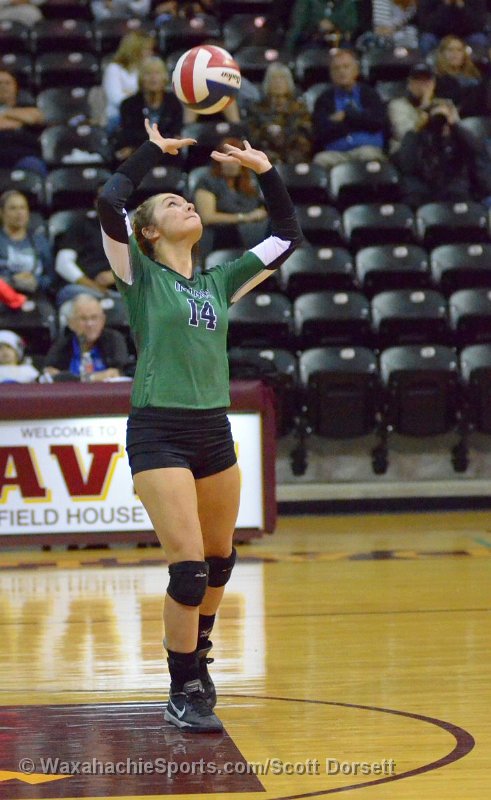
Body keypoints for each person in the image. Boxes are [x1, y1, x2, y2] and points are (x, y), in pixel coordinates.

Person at [97, 120, 302, 732]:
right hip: (159, 430)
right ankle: (183, 685)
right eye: (170, 203)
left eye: (186, 199)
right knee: (187, 570)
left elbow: (286, 236)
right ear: (149, 231)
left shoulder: (219, 281)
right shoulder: (139, 274)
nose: (185, 203)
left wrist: (266, 172)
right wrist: (151, 154)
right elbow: (110, 200)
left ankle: (198, 652)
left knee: (219, 561)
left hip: (214, 430)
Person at [392, 99, 491, 208]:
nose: (443, 123)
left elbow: (478, 153)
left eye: (446, 117)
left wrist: (455, 125)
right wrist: (418, 128)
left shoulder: (461, 139)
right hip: (424, 194)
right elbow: (407, 165)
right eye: (438, 118)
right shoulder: (418, 138)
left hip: (457, 194)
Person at [193, 136, 269, 259]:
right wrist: (244, 217)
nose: (232, 163)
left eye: (237, 159)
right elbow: (207, 217)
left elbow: (261, 206)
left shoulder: (249, 180)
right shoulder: (207, 182)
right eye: (228, 158)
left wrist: (261, 213)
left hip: (253, 234)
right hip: (220, 237)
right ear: (219, 160)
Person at [312, 48, 387, 168]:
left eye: (346, 67)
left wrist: (346, 116)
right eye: (336, 68)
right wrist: (359, 121)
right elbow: (322, 132)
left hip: (366, 148)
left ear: (356, 70)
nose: (341, 71)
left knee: (369, 156)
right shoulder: (324, 99)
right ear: (331, 74)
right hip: (336, 153)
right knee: (320, 160)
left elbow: (377, 122)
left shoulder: (369, 94)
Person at [44, 293, 130, 382]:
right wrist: (94, 378)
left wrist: (76, 378)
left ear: (103, 320)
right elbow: (51, 372)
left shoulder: (114, 340)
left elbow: (117, 372)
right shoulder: (62, 344)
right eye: (83, 318)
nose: (89, 324)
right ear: (71, 323)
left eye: (94, 318)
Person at [113, 57, 183, 163]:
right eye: (148, 73)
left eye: (157, 73)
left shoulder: (173, 102)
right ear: (141, 79)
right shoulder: (128, 105)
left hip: (167, 157)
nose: (153, 77)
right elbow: (128, 136)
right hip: (137, 156)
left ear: (164, 78)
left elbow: (175, 136)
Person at [54, 195, 119, 306]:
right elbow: (63, 263)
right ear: (96, 202)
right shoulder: (81, 224)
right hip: (82, 288)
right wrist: (91, 285)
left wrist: (115, 276)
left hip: (116, 291)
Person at [248, 62, 313, 165]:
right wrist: (267, 132)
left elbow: (305, 133)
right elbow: (251, 135)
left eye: (282, 78)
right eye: (273, 79)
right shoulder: (257, 108)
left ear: (289, 83)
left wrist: (284, 135)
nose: (278, 82)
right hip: (265, 152)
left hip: (293, 152)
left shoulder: (299, 108)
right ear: (267, 83)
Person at [0, 190, 54, 300]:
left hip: (36, 295)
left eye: (23, 208)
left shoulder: (40, 241)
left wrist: (36, 281)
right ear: (2, 213)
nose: (19, 213)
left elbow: (50, 276)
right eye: (13, 208)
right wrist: (12, 280)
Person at [102, 31, 155, 133]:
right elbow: (117, 99)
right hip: (118, 117)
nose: (151, 53)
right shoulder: (114, 69)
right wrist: (138, 97)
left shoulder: (145, 70)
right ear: (135, 50)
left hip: (144, 115)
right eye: (147, 50)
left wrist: (130, 94)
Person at [0, 70, 46, 176]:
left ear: (15, 87)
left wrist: (4, 113)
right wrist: (18, 120)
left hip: (23, 155)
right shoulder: (21, 113)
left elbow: (34, 118)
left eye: (7, 83)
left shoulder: (28, 106)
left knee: (34, 165)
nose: (3, 86)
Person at [285, 0, 370, 54]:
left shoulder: (348, 3)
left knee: (348, 53)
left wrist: (334, 26)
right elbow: (298, 25)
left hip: (341, 41)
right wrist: (317, 25)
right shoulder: (307, 2)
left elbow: (352, 26)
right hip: (313, 41)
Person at [388, 62, 437, 153]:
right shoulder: (398, 105)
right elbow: (406, 135)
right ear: (409, 84)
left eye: (426, 81)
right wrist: (425, 105)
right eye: (417, 80)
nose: (422, 85)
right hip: (405, 151)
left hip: (435, 151)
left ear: (433, 84)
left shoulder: (442, 104)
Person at [433, 35, 486, 118]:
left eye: (459, 50)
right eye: (450, 50)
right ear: (442, 53)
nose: (455, 53)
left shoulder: (475, 73)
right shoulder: (439, 78)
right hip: (460, 116)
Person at [417, 0, 489, 56]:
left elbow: (478, 25)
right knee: (427, 40)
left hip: (466, 34)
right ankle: (428, 68)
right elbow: (427, 25)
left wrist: (462, 6)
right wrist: (445, 6)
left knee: (479, 39)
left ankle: (477, 68)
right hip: (439, 35)